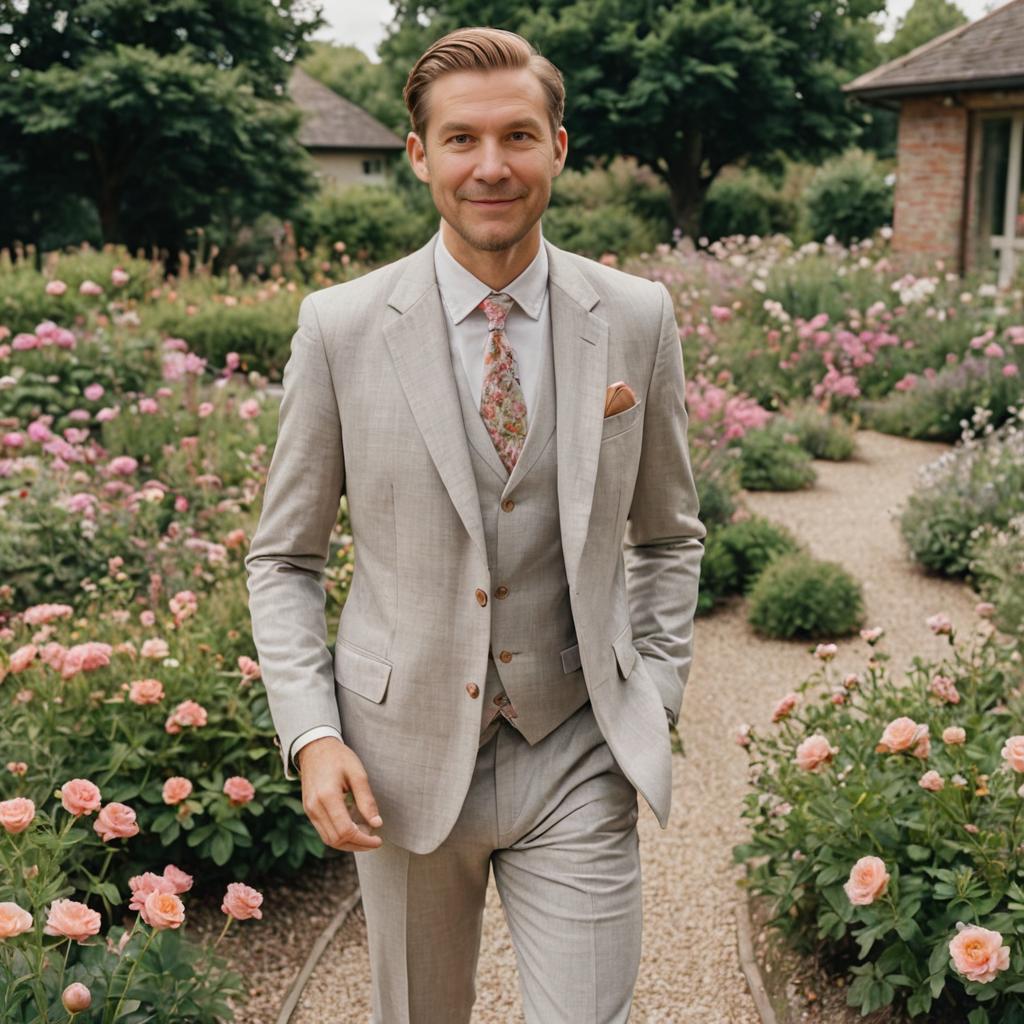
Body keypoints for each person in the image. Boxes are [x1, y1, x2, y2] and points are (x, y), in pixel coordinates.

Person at [244, 25, 705, 1024]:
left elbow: (667, 534)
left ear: (558, 147)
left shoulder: (635, 316)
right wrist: (313, 733)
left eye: (516, 137)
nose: (489, 166)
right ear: (418, 155)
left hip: (575, 744)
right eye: (460, 140)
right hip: (397, 763)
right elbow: (284, 556)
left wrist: (653, 691)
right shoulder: (342, 327)